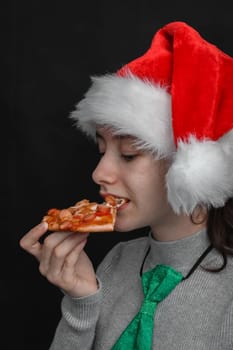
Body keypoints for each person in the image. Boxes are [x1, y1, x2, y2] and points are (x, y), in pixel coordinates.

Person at [20, 21, 233, 350]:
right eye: (102, 151)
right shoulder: (118, 261)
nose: (99, 173)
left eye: (129, 154)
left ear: (188, 166)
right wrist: (82, 304)